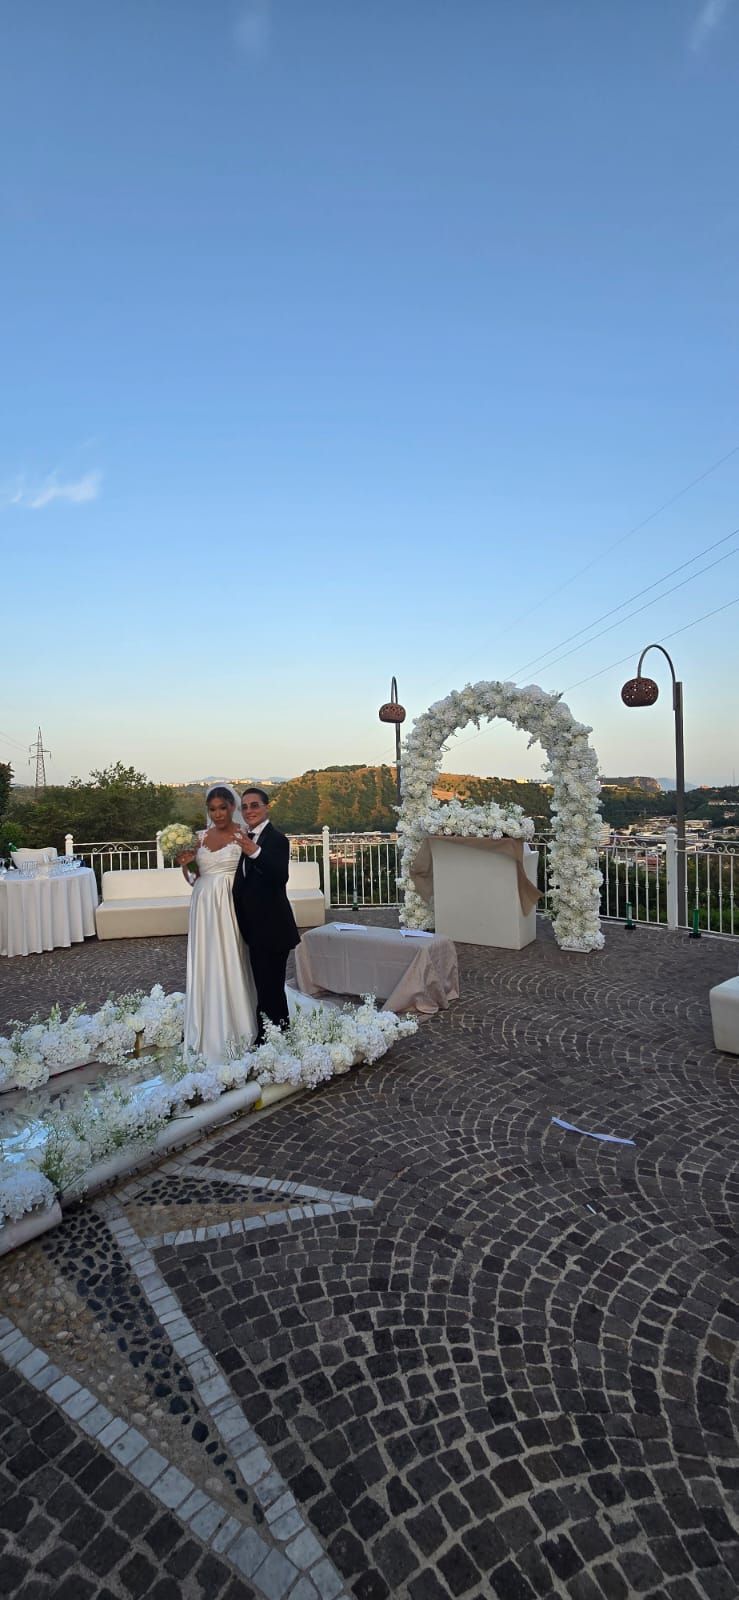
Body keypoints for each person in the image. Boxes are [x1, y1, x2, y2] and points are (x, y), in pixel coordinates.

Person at [178, 784, 258, 1063]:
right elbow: (193, 878)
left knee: (231, 956)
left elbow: (255, 870)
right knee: (206, 960)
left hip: (230, 903)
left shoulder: (243, 833)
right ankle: (205, 1020)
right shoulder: (199, 838)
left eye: (223, 808)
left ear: (232, 807)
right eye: (213, 809)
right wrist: (186, 864)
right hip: (202, 905)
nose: (218, 813)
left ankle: (238, 1023)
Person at [232, 787, 300, 1043]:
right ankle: (274, 1035)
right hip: (253, 929)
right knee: (264, 986)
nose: (249, 811)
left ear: (266, 807)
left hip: (274, 928)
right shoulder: (243, 839)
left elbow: (279, 875)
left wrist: (254, 851)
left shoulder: (276, 839)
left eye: (254, 805)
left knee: (271, 988)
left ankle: (273, 1038)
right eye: (245, 807)